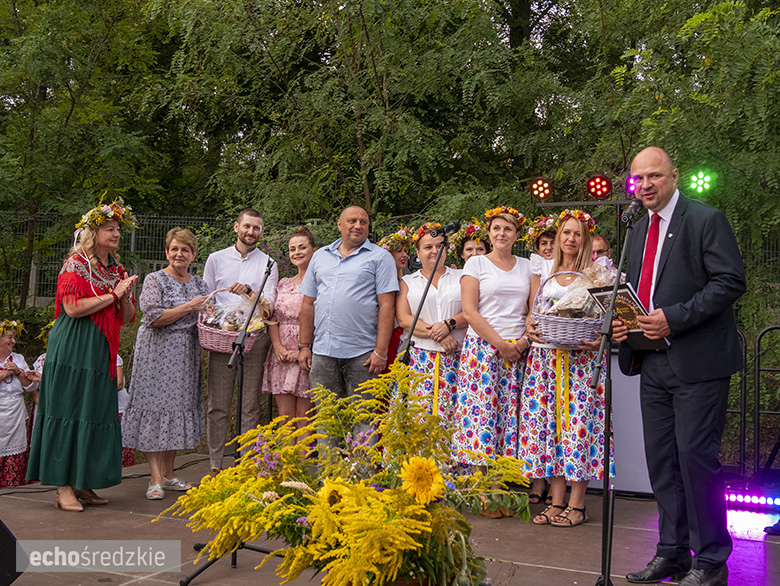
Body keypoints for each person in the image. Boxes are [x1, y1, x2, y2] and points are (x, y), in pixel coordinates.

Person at [614, 147, 745, 586]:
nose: (645, 185)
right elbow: (636, 292)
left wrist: (675, 315)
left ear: (674, 176)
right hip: (652, 361)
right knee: (663, 462)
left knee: (695, 458)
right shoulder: (636, 230)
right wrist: (623, 326)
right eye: (638, 179)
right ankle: (672, 553)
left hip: (699, 362)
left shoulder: (705, 219)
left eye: (653, 176)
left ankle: (710, 561)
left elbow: (730, 281)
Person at [27, 199, 138, 511]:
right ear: (95, 233)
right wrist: (112, 295)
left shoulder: (116, 270)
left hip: (100, 350)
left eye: (117, 229)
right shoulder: (75, 264)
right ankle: (63, 486)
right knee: (68, 409)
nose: (116, 234)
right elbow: (72, 309)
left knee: (94, 411)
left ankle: (83, 482)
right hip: (74, 346)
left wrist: (125, 296)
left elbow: (128, 315)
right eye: (110, 228)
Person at [520, 209, 611, 528]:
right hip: (545, 361)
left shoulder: (597, 273)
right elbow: (534, 312)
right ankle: (556, 501)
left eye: (577, 234)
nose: (571, 238)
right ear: (558, 237)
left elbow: (608, 321)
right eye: (566, 233)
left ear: (585, 240)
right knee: (551, 430)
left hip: (580, 363)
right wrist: (530, 328)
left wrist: (597, 341)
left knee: (578, 429)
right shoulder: (545, 269)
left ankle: (578, 504)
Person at [122, 228, 209, 499]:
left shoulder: (199, 283)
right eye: (174, 249)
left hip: (185, 353)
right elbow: (153, 317)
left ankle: (170, 473)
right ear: (166, 252)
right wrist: (189, 307)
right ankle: (155, 477)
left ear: (193, 254)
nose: (179, 254)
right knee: (155, 409)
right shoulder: (154, 279)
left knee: (177, 410)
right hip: (157, 353)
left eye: (185, 250)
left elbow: (207, 315)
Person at [298, 206, 399, 438]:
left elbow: (387, 306)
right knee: (327, 420)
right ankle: (330, 474)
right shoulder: (320, 256)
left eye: (363, 222)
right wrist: (304, 345)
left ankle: (362, 474)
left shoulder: (380, 257)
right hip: (323, 351)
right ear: (339, 224)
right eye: (352, 221)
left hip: (363, 354)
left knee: (364, 419)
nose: (358, 226)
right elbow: (307, 304)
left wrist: (381, 351)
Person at [453, 206, 531, 492]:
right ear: (489, 232)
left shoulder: (527, 265)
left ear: (517, 235)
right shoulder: (476, 265)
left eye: (508, 229)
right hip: (483, 350)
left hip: (518, 350)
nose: (501, 233)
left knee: (509, 417)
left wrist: (521, 342)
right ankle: (481, 491)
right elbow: (470, 312)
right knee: (481, 416)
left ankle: (500, 486)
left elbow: (532, 310)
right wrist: (499, 344)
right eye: (496, 228)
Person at [203, 209, 278, 476]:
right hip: (222, 339)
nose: (251, 232)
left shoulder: (268, 263)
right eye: (247, 226)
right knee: (218, 403)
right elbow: (207, 300)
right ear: (236, 227)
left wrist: (248, 291)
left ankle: (246, 463)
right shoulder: (216, 259)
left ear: (261, 232)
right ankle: (214, 463)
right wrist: (215, 322)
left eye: (256, 228)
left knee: (250, 404)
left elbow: (269, 308)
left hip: (255, 338)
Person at [396, 223, 466, 426]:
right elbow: (404, 319)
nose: (434, 250)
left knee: (454, 417)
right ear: (417, 252)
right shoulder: (408, 282)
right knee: (421, 417)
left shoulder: (461, 277)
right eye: (428, 247)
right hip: (420, 359)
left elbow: (471, 312)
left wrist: (449, 324)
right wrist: (440, 333)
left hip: (457, 357)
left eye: (439, 246)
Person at [262, 227, 316, 440]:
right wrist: (277, 347)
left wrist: (305, 348)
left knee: (304, 418)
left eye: (302, 247)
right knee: (284, 417)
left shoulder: (320, 284)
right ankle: (285, 467)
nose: (297, 252)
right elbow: (272, 316)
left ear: (314, 250)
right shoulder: (283, 283)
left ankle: (301, 467)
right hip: (281, 354)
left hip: (306, 355)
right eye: (292, 249)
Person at [0, 321, 35, 487]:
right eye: (9, 337)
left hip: (16, 413)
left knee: (17, 450)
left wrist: (18, 371)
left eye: (14, 337)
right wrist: (6, 372)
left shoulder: (19, 359)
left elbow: (31, 386)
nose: (13, 341)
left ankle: (13, 485)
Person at [377, 226, 413, 369]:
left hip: (400, 333)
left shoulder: (405, 281)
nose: (404, 255)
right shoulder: (380, 281)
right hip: (386, 332)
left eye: (405, 251)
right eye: (399, 251)